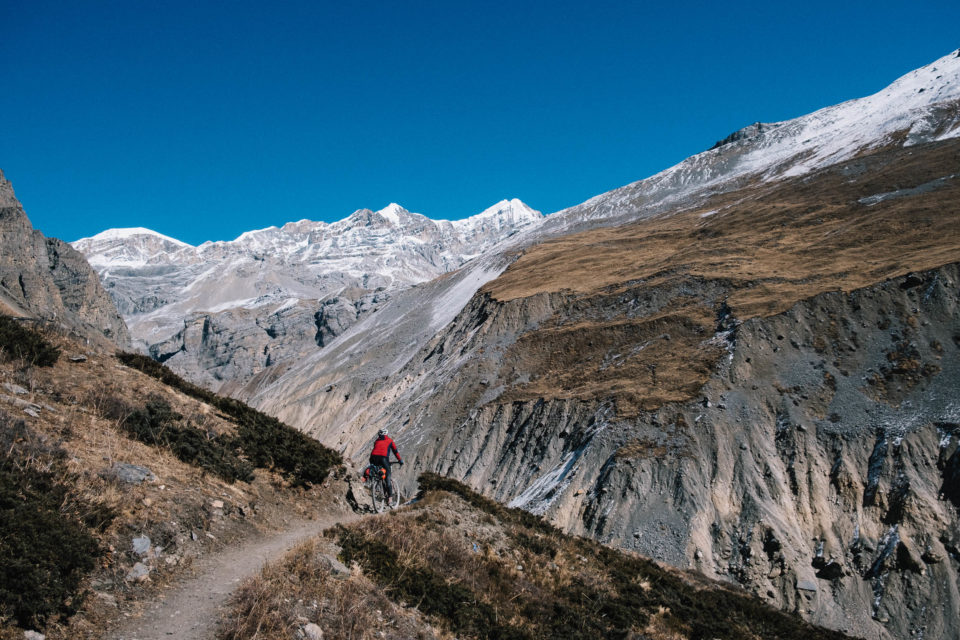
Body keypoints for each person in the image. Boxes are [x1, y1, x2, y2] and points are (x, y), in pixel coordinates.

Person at [369, 428, 403, 499]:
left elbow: (376, 450)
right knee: (388, 475)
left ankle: (377, 482)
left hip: (372, 458)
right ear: (386, 434)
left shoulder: (376, 441)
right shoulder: (390, 441)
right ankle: (390, 498)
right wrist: (400, 460)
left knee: (379, 472)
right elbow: (395, 451)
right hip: (383, 459)